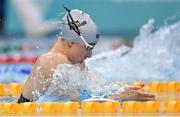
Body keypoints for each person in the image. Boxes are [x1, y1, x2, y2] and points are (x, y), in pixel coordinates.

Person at [17, 7, 156, 103]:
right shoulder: (51, 61)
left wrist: (118, 88)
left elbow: (89, 89)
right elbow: (78, 101)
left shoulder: (75, 60)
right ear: (71, 42)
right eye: (87, 48)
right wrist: (120, 96)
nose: (90, 55)